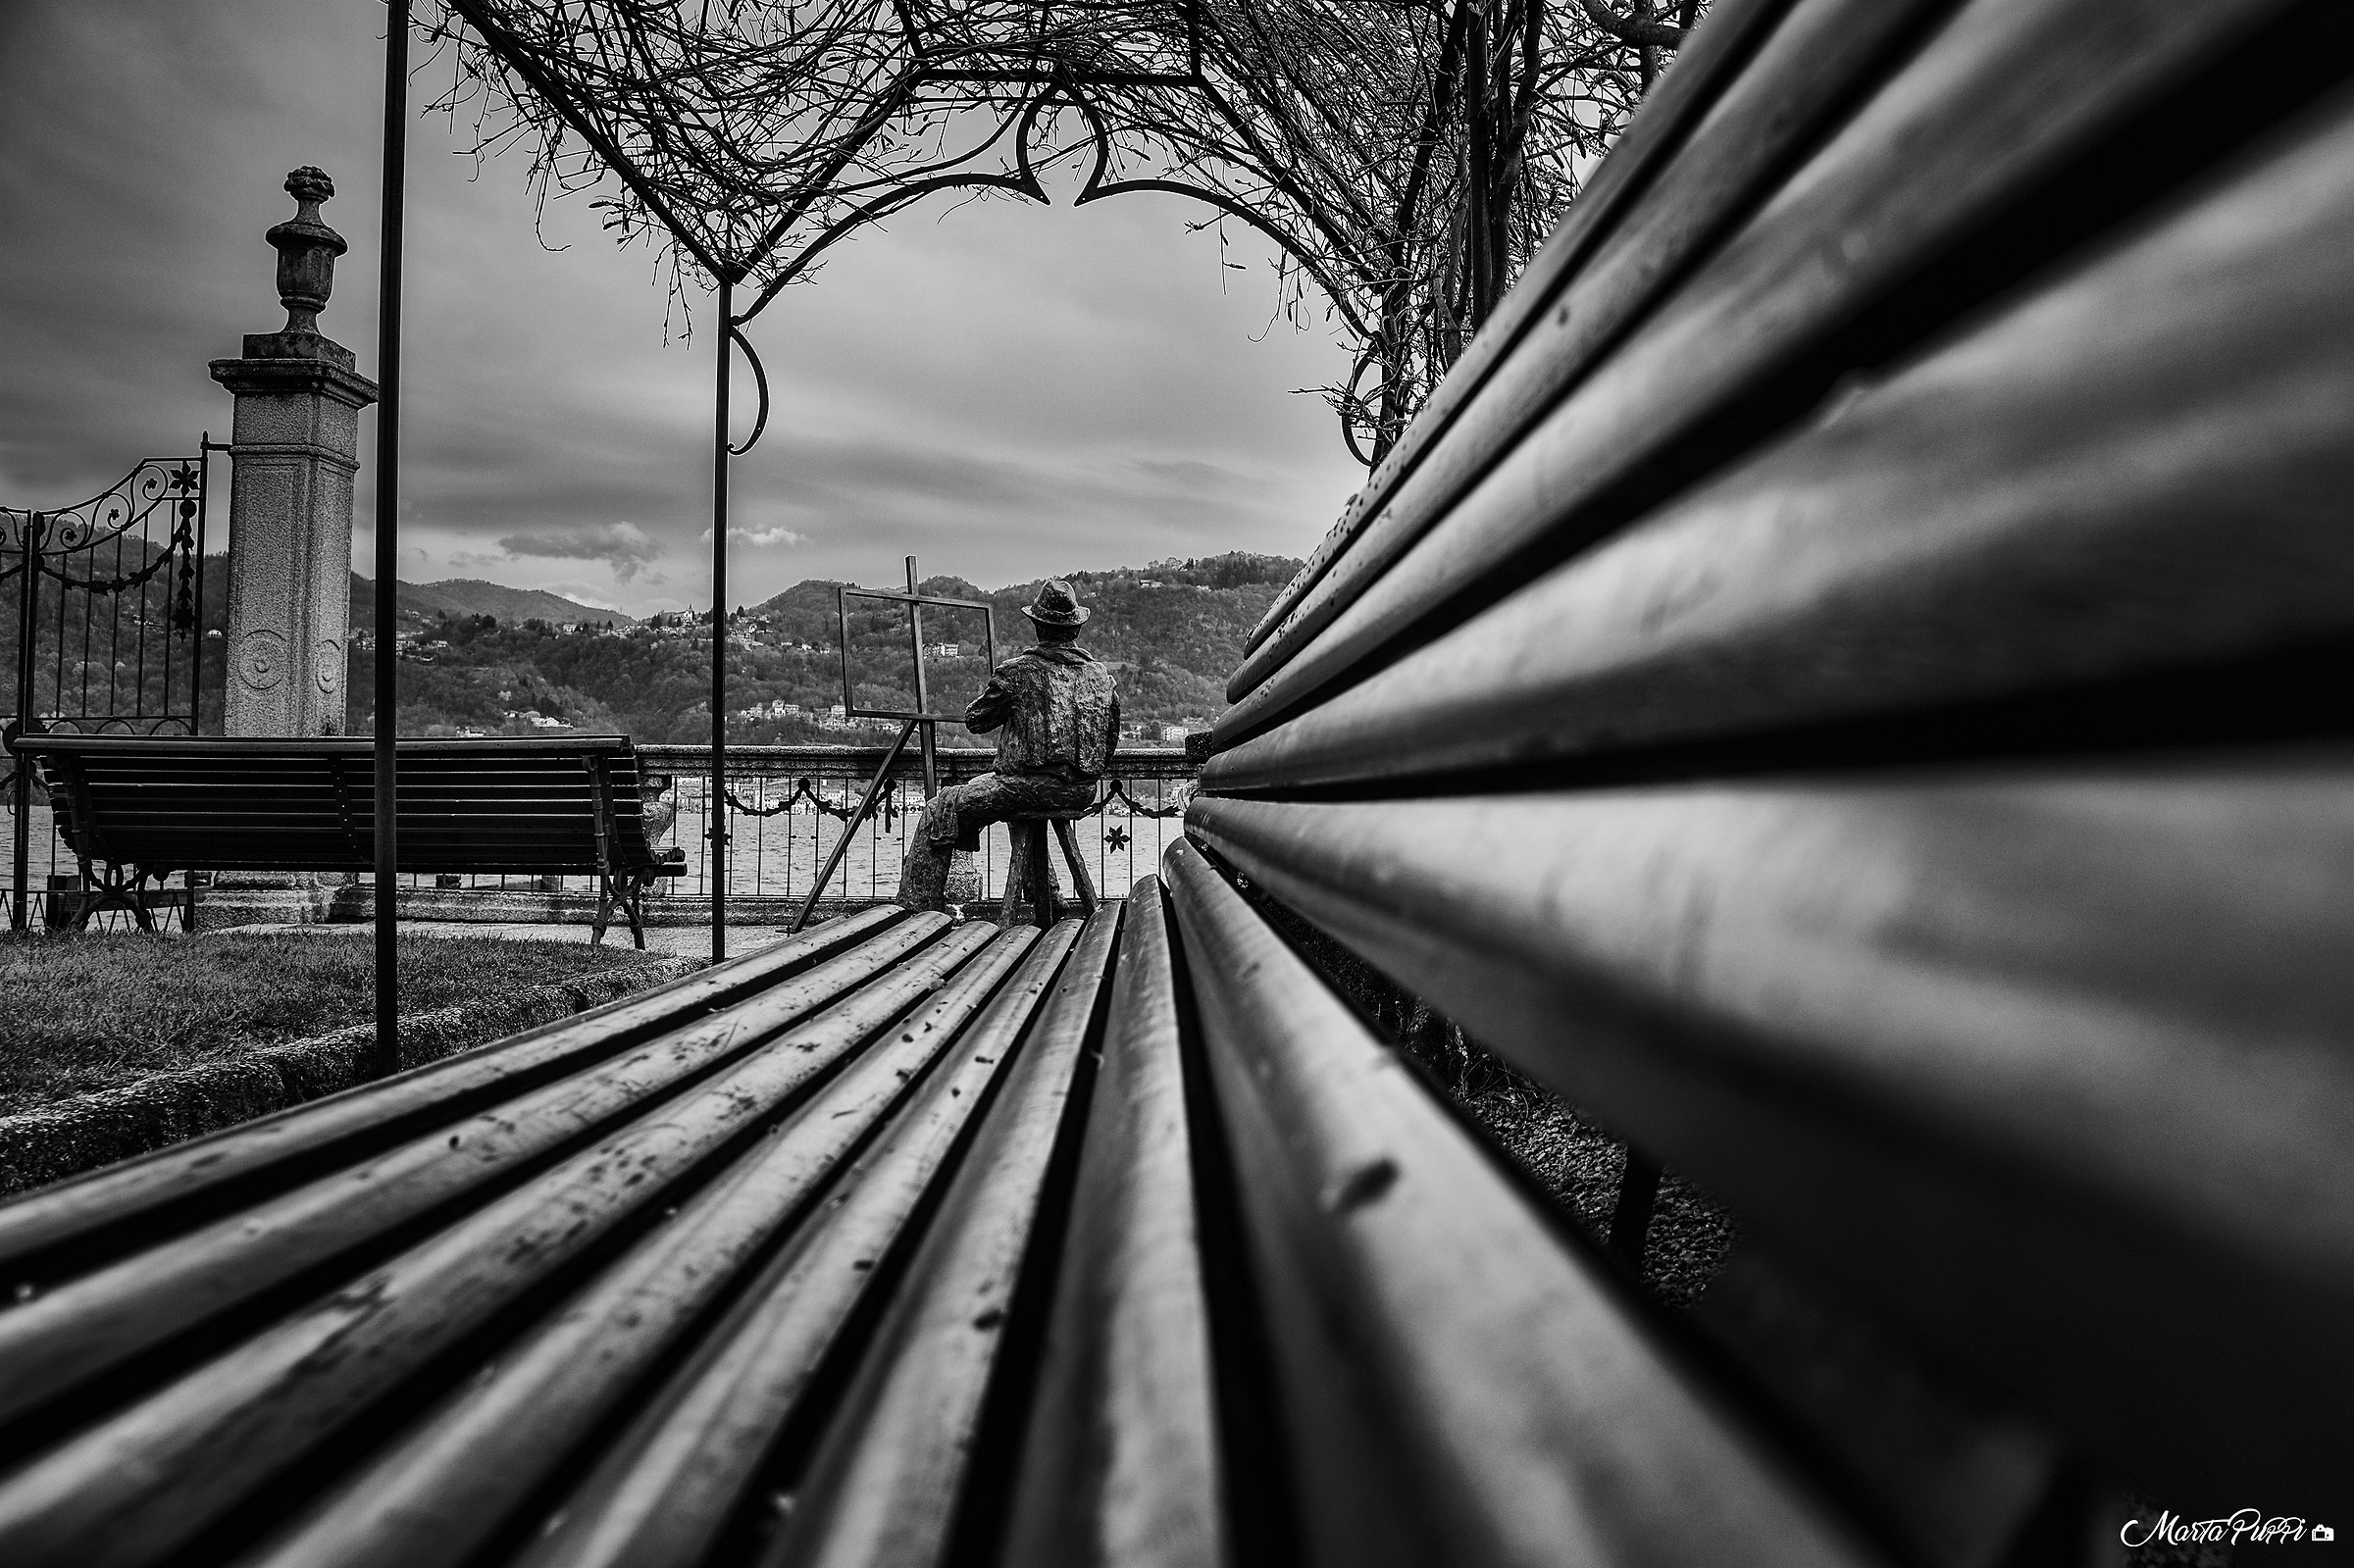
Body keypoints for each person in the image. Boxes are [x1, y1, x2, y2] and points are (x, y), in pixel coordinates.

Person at [896, 579, 1119, 913]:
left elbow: (977, 720)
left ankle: (917, 912)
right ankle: (1050, 896)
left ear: (1038, 626)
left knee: (937, 810)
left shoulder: (1018, 672)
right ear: (1075, 628)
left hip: (1023, 788)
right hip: (1082, 790)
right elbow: (1110, 739)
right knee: (1021, 815)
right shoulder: (1101, 677)